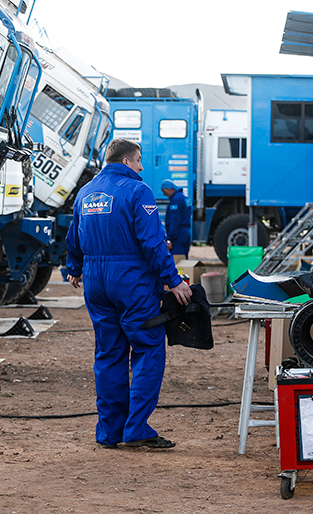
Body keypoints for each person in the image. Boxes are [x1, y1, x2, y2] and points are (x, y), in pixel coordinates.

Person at [65, 139, 192, 449]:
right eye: (138, 161)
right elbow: (152, 243)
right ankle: (135, 430)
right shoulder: (138, 191)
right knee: (148, 350)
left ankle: (109, 433)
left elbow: (73, 236)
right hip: (131, 282)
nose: (141, 167)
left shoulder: (85, 193)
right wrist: (173, 280)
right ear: (126, 161)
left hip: (96, 282)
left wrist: (74, 267)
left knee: (109, 354)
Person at [161, 179, 191, 258]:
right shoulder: (184, 196)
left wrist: (170, 239)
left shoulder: (175, 200)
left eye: (164, 191)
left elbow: (174, 221)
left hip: (178, 235)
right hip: (186, 232)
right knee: (184, 259)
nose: (164, 194)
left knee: (177, 260)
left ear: (168, 189)